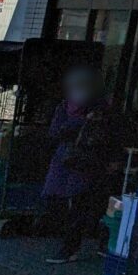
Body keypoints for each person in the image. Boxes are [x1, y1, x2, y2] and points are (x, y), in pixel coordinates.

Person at [41, 66, 121, 263]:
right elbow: (55, 132)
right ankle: (71, 244)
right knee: (60, 200)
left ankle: (72, 246)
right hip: (66, 160)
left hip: (88, 161)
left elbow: (111, 135)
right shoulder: (64, 107)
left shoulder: (101, 109)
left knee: (83, 203)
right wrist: (80, 123)